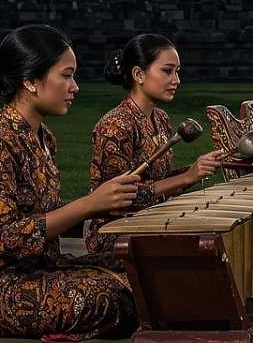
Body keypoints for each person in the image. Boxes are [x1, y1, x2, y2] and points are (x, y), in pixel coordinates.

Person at [0, 24, 139, 339]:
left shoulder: (43, 137)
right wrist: (89, 204)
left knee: (138, 272)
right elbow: (1, 236)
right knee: (108, 296)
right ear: (31, 81)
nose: (75, 87)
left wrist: (107, 207)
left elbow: (39, 212)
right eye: (66, 75)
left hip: (36, 270)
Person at [86, 33, 223, 253]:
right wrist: (187, 177)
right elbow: (118, 197)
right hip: (119, 236)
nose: (176, 80)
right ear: (139, 74)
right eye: (167, 71)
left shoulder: (160, 118)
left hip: (154, 220)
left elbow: (160, 182)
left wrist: (199, 169)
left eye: (177, 72)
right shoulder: (115, 125)